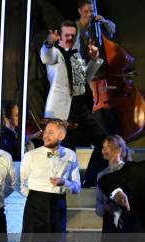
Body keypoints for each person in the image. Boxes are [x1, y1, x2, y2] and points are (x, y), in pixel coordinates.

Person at [41, 20, 105, 187]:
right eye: (66, 35)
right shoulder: (55, 54)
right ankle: (65, 184)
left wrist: (94, 60)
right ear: (59, 37)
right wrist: (48, 42)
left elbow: (84, 79)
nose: (69, 38)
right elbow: (45, 55)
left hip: (80, 109)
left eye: (72, 35)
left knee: (104, 143)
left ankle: (90, 180)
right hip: (61, 112)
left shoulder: (76, 55)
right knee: (66, 151)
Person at [19, 119, 81, 242]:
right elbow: (20, 183)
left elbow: (77, 187)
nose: (46, 135)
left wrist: (64, 183)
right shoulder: (31, 156)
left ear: (61, 136)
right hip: (35, 205)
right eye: (45, 132)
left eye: (51, 133)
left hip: (57, 206)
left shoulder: (70, 155)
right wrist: (32, 196)